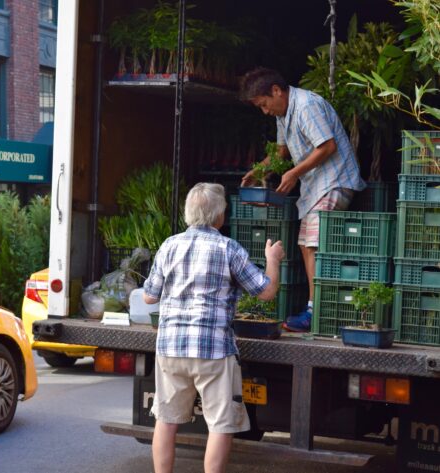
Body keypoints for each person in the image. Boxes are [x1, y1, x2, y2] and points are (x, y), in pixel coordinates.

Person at [143, 183, 285, 473]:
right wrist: (272, 260)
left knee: (166, 420)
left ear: (187, 214)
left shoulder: (169, 246)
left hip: (170, 347)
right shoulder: (228, 248)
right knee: (220, 424)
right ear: (220, 216)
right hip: (213, 350)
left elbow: (149, 296)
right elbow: (266, 291)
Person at [239, 67, 365, 332]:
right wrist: (260, 170)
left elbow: (327, 146)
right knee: (305, 244)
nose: (265, 111)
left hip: (336, 180)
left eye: (264, 104)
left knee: (313, 244)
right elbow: (282, 151)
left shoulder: (307, 106)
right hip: (317, 186)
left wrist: (294, 173)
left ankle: (314, 312)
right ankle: (314, 308)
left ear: (276, 91)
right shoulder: (283, 113)